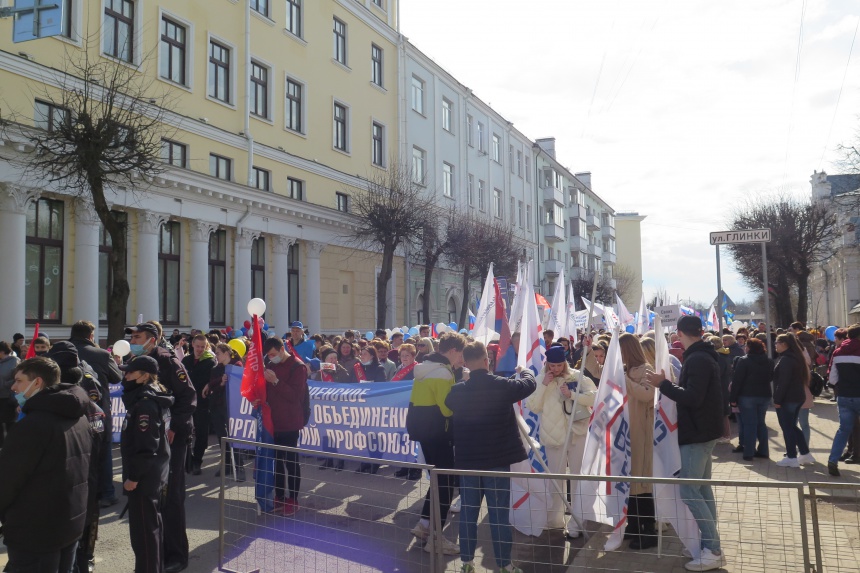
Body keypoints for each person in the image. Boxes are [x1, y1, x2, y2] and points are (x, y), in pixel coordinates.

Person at [445, 340, 536, 573]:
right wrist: (523, 370)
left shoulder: (457, 392)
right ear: (488, 360)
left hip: (468, 463)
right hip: (496, 462)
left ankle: (466, 563)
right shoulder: (501, 385)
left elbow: (448, 402)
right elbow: (529, 384)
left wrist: (465, 381)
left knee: (468, 513)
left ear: (465, 363)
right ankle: (505, 565)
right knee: (498, 516)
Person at [645, 315, 725, 572]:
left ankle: (712, 548)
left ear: (680, 333)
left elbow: (692, 397)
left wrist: (664, 384)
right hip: (703, 432)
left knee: (690, 491)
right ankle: (708, 543)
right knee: (701, 490)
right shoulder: (702, 355)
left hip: (698, 434)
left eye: (676, 335)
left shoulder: (698, 358)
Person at [0, 357, 92, 573]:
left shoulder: (33, 425)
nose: (13, 387)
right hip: (69, 522)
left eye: (19, 381)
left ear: (37, 382)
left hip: (35, 531)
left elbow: (8, 479)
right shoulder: (79, 417)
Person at [126, 322, 196, 573]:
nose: (133, 340)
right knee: (156, 497)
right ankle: (158, 554)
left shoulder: (167, 362)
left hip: (172, 438)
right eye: (132, 336)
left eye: (138, 337)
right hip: (154, 440)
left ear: (152, 340)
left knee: (172, 497)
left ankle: (177, 555)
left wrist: (174, 427)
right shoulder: (138, 362)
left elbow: (188, 397)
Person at [47, 341, 108, 573]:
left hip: (86, 449)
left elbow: (94, 415)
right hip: (78, 448)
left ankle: (86, 555)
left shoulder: (86, 378)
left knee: (88, 509)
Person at [406, 332, 467, 556]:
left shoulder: (426, 367)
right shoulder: (442, 373)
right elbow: (447, 409)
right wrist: (463, 389)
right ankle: (436, 539)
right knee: (445, 484)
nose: (462, 358)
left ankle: (423, 526)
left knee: (437, 480)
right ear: (453, 351)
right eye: (461, 353)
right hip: (439, 433)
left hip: (424, 432)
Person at [526, 345, 597, 539]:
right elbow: (532, 405)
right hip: (553, 437)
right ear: (547, 363)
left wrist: (572, 395)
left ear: (564, 362)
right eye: (552, 365)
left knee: (577, 478)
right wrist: (543, 385)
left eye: (559, 364)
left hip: (576, 434)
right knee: (555, 480)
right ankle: (554, 520)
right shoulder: (541, 379)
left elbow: (594, 396)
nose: (556, 368)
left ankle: (577, 520)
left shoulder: (576, 375)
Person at [121, 356, 174, 573]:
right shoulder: (147, 397)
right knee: (151, 528)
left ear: (144, 376)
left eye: (131, 373)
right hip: (153, 473)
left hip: (145, 477)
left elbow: (146, 447)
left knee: (144, 533)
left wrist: (134, 477)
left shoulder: (145, 404)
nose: (126, 376)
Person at [69, 320, 123, 508]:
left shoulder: (58, 352)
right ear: (91, 336)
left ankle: (79, 493)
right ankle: (107, 492)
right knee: (103, 450)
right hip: (98, 409)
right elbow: (117, 377)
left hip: (70, 411)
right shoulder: (101, 354)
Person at [261, 337, 309, 516]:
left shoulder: (298, 367)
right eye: (268, 355)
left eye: (273, 354)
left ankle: (293, 499)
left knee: (291, 462)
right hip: (274, 421)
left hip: (290, 422)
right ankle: (279, 496)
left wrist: (276, 382)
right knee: (278, 462)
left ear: (282, 349)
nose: (270, 358)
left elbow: (295, 396)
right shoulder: (271, 364)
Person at [618, 333, 658, 550]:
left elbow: (647, 394)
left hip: (641, 433)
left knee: (642, 483)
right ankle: (633, 525)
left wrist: (625, 381)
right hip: (625, 433)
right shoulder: (626, 370)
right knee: (630, 482)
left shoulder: (646, 369)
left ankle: (648, 530)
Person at [203, 342, 246, 481]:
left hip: (232, 407)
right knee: (222, 437)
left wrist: (221, 383)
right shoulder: (216, 369)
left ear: (226, 354)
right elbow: (212, 384)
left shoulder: (237, 366)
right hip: (217, 406)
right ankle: (226, 465)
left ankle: (239, 467)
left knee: (234, 437)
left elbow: (239, 384)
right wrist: (220, 383)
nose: (216, 356)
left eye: (219, 353)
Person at [772, 333, 815, 468]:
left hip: (788, 398)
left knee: (787, 428)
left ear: (784, 344)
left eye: (777, 343)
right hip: (797, 397)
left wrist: (777, 399)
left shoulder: (786, 360)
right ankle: (804, 453)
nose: (775, 346)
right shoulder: (796, 357)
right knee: (792, 426)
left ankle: (791, 456)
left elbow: (783, 382)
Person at [729, 337, 773, 460]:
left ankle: (748, 452)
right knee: (761, 423)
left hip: (747, 396)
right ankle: (764, 451)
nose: (745, 348)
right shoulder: (768, 361)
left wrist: (733, 399)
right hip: (764, 395)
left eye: (747, 346)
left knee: (749, 424)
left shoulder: (744, 361)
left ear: (750, 348)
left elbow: (737, 381)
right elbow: (770, 377)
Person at [826, 324, 860, 477]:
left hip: (844, 396)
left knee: (843, 430)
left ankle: (833, 460)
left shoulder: (838, 352)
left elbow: (832, 379)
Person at [182, 334, 216, 476]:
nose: (200, 349)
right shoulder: (186, 360)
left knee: (202, 434)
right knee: (185, 432)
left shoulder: (210, 361)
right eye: (197, 346)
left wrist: (209, 384)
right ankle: (187, 460)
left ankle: (197, 462)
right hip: (187, 402)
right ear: (193, 345)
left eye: (203, 347)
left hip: (203, 402)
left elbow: (215, 378)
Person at [0, 340, 20, 447]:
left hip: (9, 397)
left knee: (10, 423)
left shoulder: (14, 361)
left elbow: (18, 378)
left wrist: (4, 384)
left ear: (2, 351)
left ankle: (12, 446)